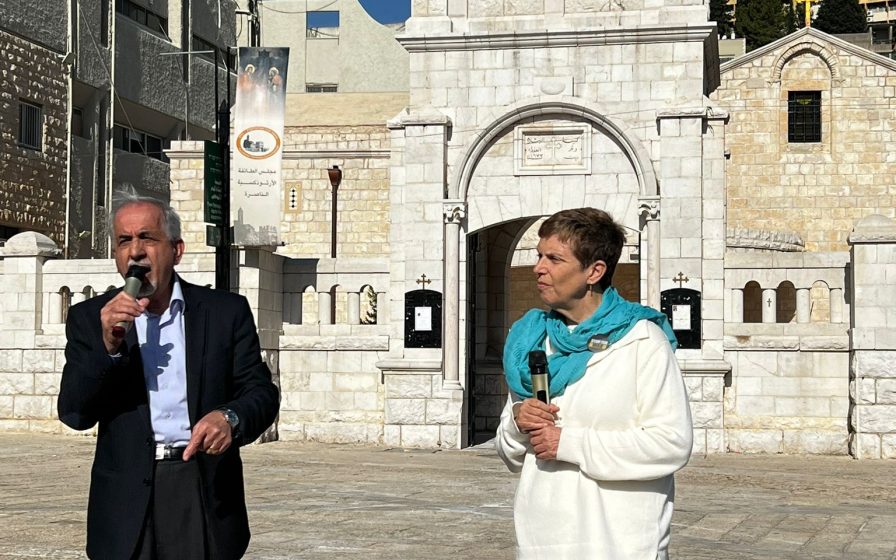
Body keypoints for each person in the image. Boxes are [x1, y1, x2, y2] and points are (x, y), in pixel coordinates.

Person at [58, 188, 280, 560]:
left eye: (147, 238)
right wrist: (108, 348)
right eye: (124, 241)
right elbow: (74, 413)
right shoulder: (91, 318)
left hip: (199, 486)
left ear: (176, 250)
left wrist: (229, 417)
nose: (135, 251)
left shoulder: (224, 313)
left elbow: (261, 393)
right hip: (125, 499)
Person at [495, 207, 693, 559]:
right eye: (539, 256)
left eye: (554, 259)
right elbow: (511, 453)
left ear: (594, 271)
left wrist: (569, 443)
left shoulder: (641, 340)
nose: (539, 268)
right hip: (545, 541)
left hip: (619, 543)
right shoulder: (529, 340)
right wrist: (517, 421)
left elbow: (671, 443)